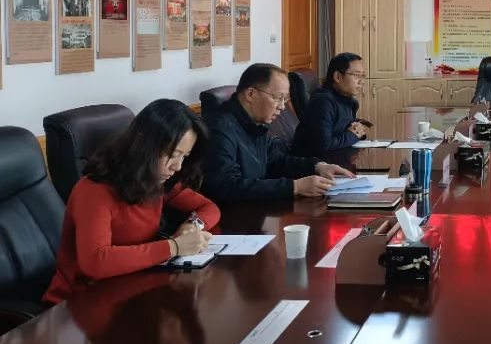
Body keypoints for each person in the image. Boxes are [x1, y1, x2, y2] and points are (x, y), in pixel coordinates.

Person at [44, 99, 220, 303]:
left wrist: (193, 225)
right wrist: (173, 247)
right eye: (173, 155)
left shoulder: (156, 179)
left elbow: (209, 208)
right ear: (145, 146)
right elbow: (95, 262)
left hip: (130, 288)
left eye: (184, 156)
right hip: (80, 302)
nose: (177, 166)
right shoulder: (94, 190)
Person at [202, 63, 354, 204]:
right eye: (278, 98)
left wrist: (317, 166)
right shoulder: (219, 129)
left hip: (256, 210)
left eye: (285, 99)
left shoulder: (254, 122)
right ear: (250, 94)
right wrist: (294, 187)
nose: (282, 107)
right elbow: (226, 187)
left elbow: (276, 161)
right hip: (233, 218)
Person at [293, 52, 369, 156]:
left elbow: (347, 131)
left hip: (337, 157)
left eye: (362, 76)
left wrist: (358, 130)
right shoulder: (323, 102)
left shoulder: (349, 100)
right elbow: (324, 145)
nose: (361, 81)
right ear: (337, 77)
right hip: (314, 162)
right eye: (356, 75)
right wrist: (353, 135)